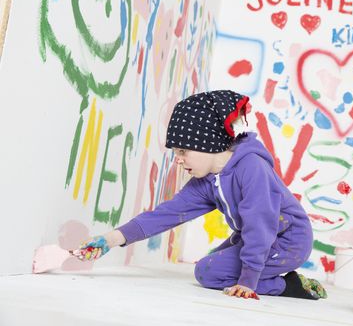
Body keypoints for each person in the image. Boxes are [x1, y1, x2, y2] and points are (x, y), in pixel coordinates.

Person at [74, 90, 326, 300]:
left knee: (208, 272)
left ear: (208, 143)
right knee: (214, 261)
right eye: (176, 153)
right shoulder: (206, 181)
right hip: (258, 237)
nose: (179, 160)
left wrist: (248, 282)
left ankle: (288, 287)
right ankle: (270, 276)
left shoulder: (252, 168)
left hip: (287, 240)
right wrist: (110, 239)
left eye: (183, 151)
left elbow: (260, 224)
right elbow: (166, 214)